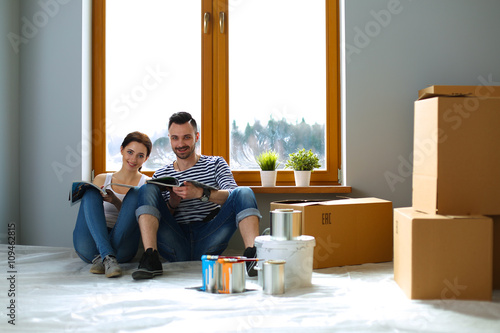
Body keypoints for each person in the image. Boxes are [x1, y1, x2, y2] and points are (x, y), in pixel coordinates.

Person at [132, 112, 261, 280]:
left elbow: (233, 195)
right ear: (169, 139)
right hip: (175, 240)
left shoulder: (216, 163)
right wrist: (172, 203)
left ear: (196, 136)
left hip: (210, 235)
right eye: (175, 138)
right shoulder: (161, 173)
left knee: (244, 191)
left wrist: (201, 193)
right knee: (145, 189)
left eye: (186, 137)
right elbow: (159, 219)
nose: (180, 144)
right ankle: (150, 257)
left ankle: (252, 258)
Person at [73, 131, 152, 278]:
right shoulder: (102, 178)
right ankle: (107, 255)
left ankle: (106, 255)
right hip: (91, 245)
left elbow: (141, 222)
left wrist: (116, 201)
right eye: (130, 152)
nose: (133, 159)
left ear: (146, 158)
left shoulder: (146, 183)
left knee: (136, 193)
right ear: (121, 150)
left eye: (140, 156)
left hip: (122, 246)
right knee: (90, 192)